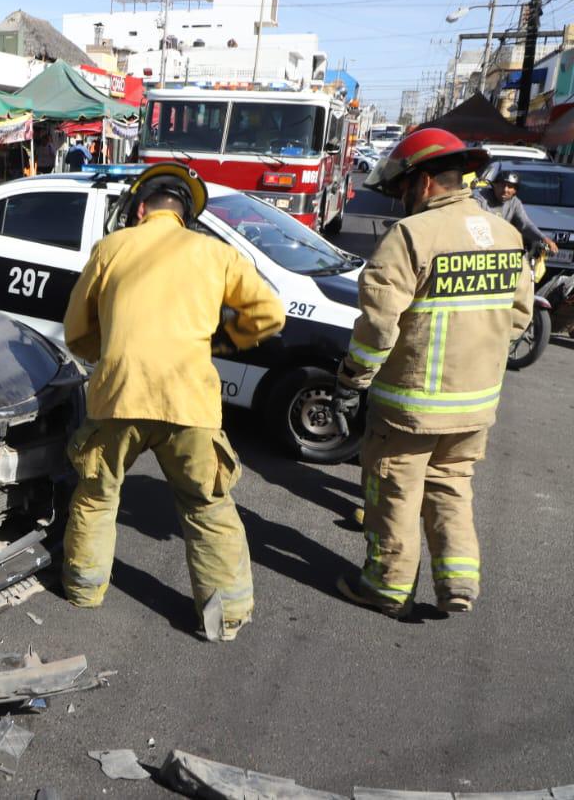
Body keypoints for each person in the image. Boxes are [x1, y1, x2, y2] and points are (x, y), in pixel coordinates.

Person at [61, 162, 286, 642]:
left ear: (141, 208)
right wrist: (226, 341)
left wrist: (110, 353)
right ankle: (226, 617)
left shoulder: (111, 247)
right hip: (190, 402)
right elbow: (269, 313)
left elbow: (77, 332)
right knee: (207, 507)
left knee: (98, 497)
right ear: (185, 214)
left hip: (118, 397)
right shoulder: (214, 253)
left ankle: (84, 590)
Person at [332, 128, 533, 618]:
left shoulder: (412, 236)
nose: (401, 199)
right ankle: (458, 583)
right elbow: (520, 317)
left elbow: (378, 326)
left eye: (402, 188)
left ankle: (385, 586)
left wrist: (351, 380)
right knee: (451, 487)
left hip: (410, 409)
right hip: (476, 407)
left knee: (394, 493)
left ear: (423, 183)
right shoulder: (506, 235)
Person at [473, 170, 558, 255]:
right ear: (494, 185)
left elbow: (525, 224)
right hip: (480, 248)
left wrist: (544, 239)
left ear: (515, 190)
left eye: (510, 187)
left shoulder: (515, 203)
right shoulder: (481, 198)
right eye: (502, 185)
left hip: (503, 249)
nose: (505, 190)